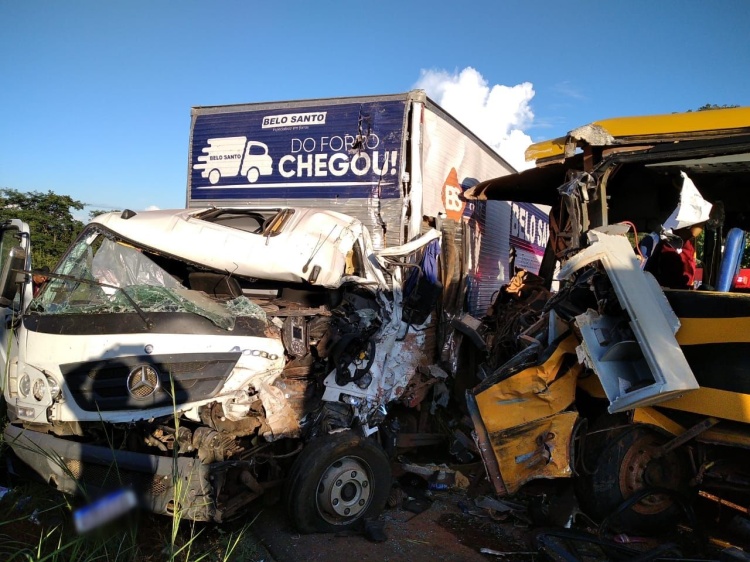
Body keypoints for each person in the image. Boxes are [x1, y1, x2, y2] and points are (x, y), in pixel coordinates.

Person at [644, 172, 711, 290]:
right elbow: (693, 233)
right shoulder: (673, 235)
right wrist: (706, 215)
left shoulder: (666, 237)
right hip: (675, 286)